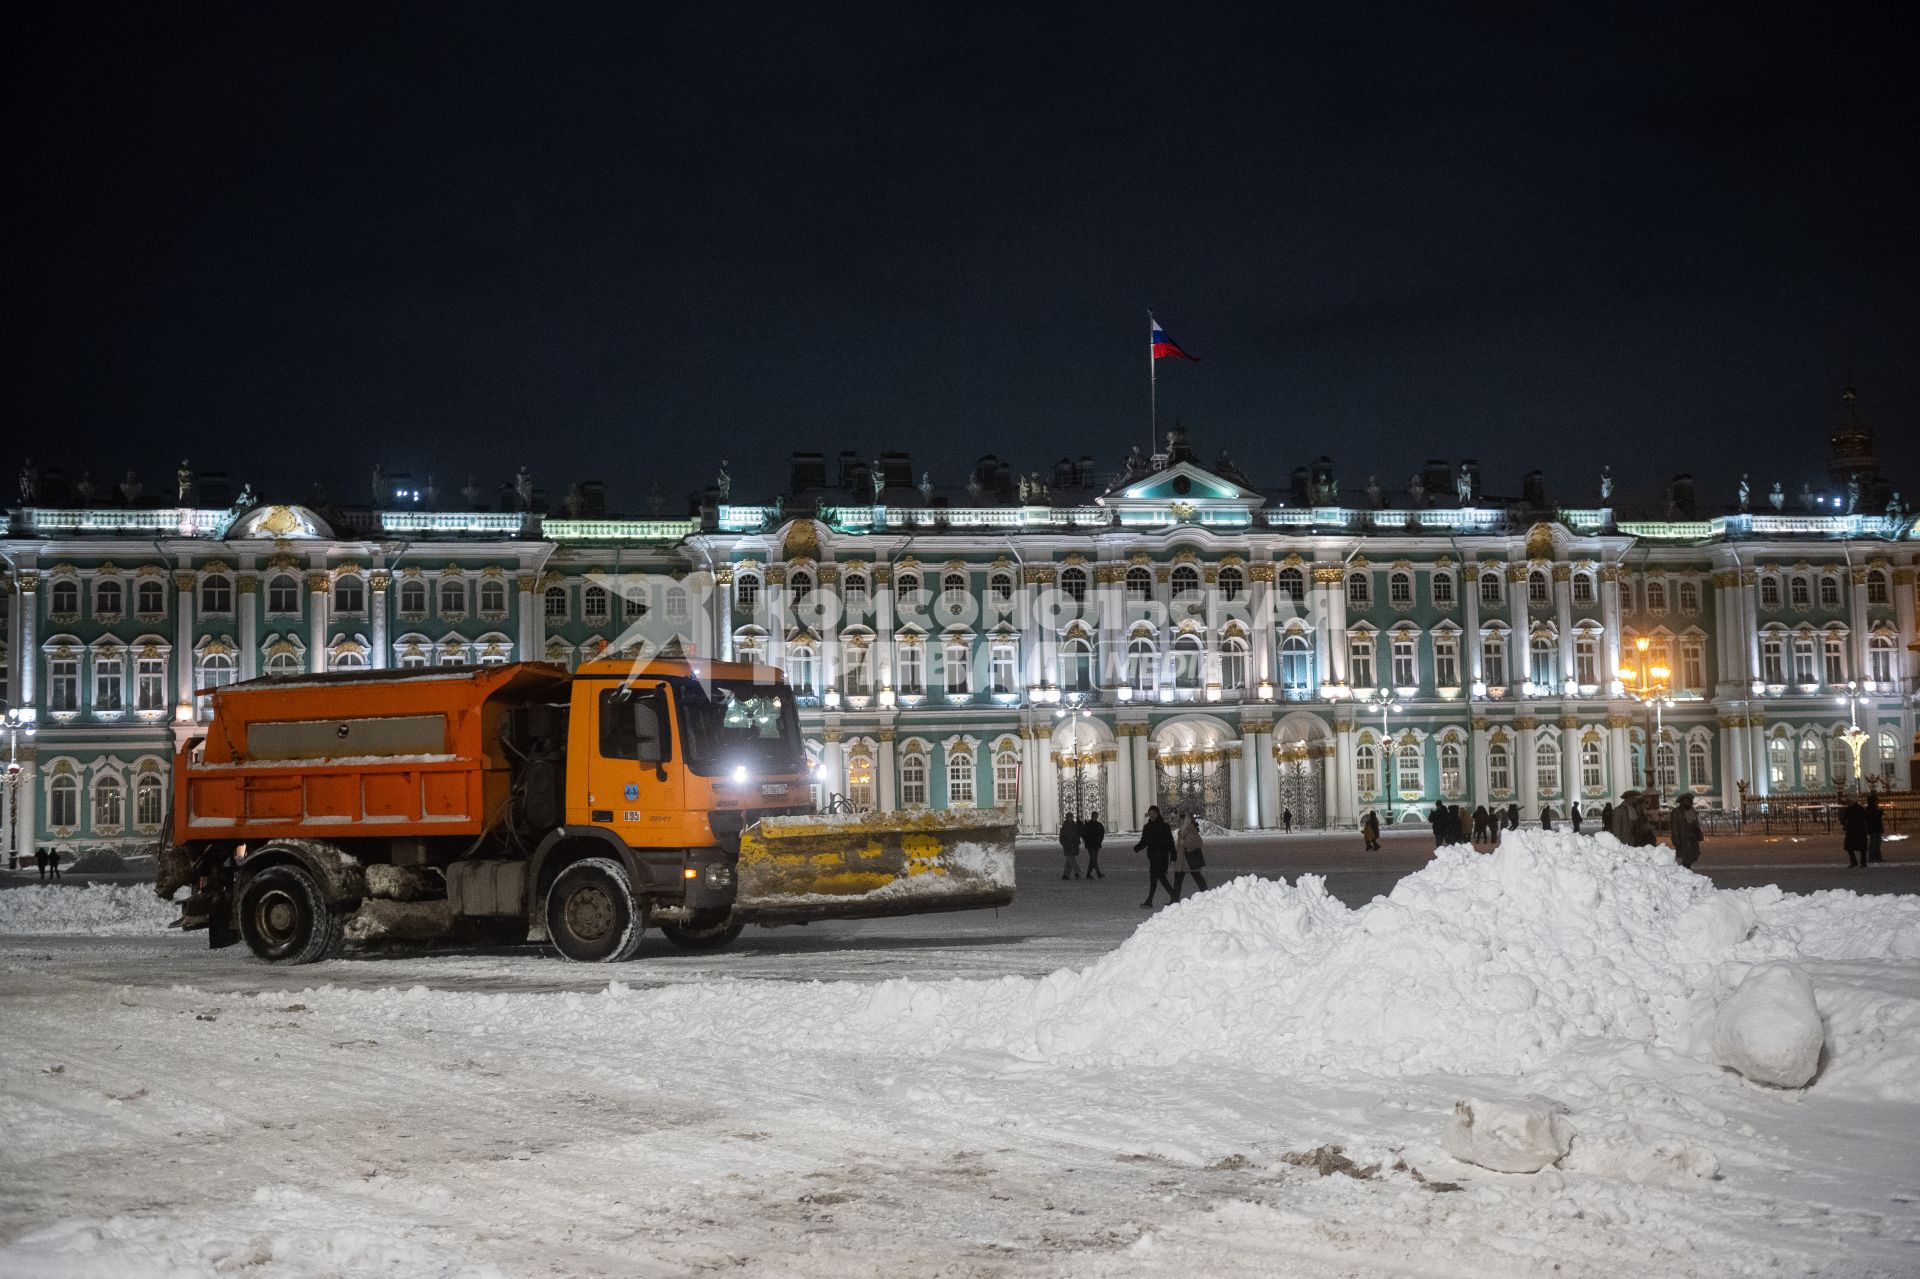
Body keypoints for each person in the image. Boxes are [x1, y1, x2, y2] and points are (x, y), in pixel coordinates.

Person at [1134, 805, 1177, 907]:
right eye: (1150, 813)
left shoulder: (1165, 826)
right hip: (1153, 856)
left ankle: (1152, 900)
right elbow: (1144, 841)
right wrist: (1138, 847)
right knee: (1156, 877)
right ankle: (1173, 896)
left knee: (1159, 877)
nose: (1152, 815)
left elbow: (1170, 842)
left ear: (1158, 814)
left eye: (1154, 813)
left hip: (1162, 856)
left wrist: (1173, 855)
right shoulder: (1147, 827)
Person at [1173, 812, 1208, 900]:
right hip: (1181, 861)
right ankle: (1174, 900)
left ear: (1185, 821)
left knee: (1198, 878)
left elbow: (1199, 842)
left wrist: (1185, 843)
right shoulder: (1182, 830)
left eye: (1181, 820)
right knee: (1178, 881)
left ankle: (1207, 896)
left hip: (1189, 860)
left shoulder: (1190, 830)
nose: (1179, 822)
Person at [1670, 793, 1704, 869]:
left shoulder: (1692, 810)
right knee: (1684, 857)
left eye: (1690, 801)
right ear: (1682, 802)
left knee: (1692, 856)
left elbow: (1696, 824)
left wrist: (1699, 834)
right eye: (1687, 801)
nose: (1689, 802)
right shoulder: (1676, 812)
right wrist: (1676, 839)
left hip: (1692, 838)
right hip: (1683, 838)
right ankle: (1685, 871)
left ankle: (1688, 869)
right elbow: (1674, 827)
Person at [1841, 799, 1868, 869]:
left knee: (1850, 848)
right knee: (1862, 848)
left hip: (1851, 830)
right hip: (1861, 830)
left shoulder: (1849, 810)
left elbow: (1844, 819)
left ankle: (1854, 862)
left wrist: (1845, 823)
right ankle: (1863, 863)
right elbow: (1865, 818)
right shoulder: (1861, 809)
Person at [1082, 810, 1107, 879]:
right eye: (1094, 816)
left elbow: (1101, 834)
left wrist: (1099, 840)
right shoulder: (1089, 824)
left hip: (1096, 844)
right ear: (1092, 816)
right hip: (1090, 844)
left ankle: (1088, 874)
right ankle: (1098, 873)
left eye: (1096, 816)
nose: (1095, 817)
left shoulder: (1098, 825)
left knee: (1093, 860)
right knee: (1093, 859)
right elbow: (1084, 834)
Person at [1058, 814, 1083, 880]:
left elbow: (1077, 833)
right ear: (1066, 818)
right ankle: (1076, 873)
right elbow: (1062, 838)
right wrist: (1065, 844)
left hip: (1074, 845)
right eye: (1069, 817)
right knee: (1072, 860)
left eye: (1071, 817)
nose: (1070, 818)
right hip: (1068, 846)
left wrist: (1077, 841)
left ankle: (1065, 875)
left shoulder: (1074, 825)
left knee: (1069, 861)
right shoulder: (1064, 826)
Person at [1865, 794, 1884, 864]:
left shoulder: (1872, 808)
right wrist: (1880, 812)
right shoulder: (1872, 809)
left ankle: (1877, 857)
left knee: (1877, 843)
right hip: (1874, 828)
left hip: (1874, 828)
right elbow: (1874, 817)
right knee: (1874, 843)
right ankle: (1873, 857)